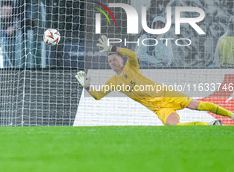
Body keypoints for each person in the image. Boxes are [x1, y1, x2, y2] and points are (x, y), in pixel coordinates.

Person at [75, 35, 234, 126]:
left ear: (121, 61)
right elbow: (97, 95)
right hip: (157, 108)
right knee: (175, 127)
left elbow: (132, 54)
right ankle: (212, 125)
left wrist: (113, 48)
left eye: (115, 59)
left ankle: (230, 114)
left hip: (166, 94)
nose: (113, 63)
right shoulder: (112, 82)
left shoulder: (131, 67)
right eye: (110, 62)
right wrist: (87, 87)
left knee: (195, 105)